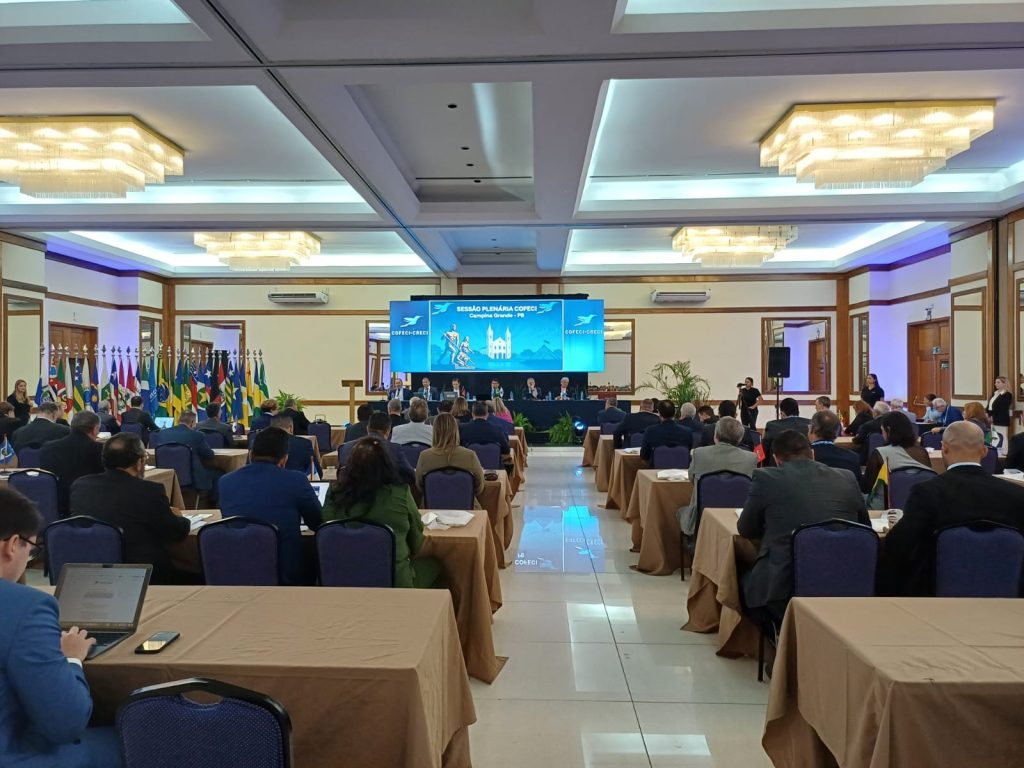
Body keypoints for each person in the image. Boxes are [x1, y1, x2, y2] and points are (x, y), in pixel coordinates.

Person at [0, 485, 122, 768]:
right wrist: (71, 659)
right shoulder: (25, 607)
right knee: (143, 738)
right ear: (13, 545)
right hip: (14, 756)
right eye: (31, 550)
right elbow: (66, 723)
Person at [737, 430, 869, 621]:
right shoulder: (847, 477)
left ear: (776, 459)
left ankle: (780, 634)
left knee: (740, 581)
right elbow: (864, 527)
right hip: (846, 577)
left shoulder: (765, 478)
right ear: (812, 454)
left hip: (786, 582)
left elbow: (746, 529)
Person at [881, 421, 1024, 596]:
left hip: (935, 592)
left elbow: (899, 545)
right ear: (984, 451)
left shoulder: (927, 492)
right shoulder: (1016, 494)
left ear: (944, 448)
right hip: (1007, 593)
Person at [70, 433, 190, 585]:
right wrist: (182, 519)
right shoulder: (149, 491)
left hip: (89, 567)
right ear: (139, 463)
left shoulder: (80, 485)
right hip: (139, 573)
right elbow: (174, 532)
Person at [322, 438, 443, 589]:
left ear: (349, 465)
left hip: (340, 580)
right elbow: (417, 544)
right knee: (437, 565)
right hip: (394, 583)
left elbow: (326, 527)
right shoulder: (400, 494)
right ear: (387, 464)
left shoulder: (334, 493)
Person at [219, 427, 322, 585]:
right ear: (284, 459)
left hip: (236, 567)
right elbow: (317, 521)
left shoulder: (225, 481)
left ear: (250, 454)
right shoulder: (296, 480)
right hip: (283, 571)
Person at [678, 417, 757, 537]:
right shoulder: (751, 458)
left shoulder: (699, 454)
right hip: (737, 519)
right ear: (740, 438)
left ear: (715, 435)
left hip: (701, 518)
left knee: (680, 511)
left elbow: (692, 480)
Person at [39, 411, 104, 518]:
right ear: (95, 429)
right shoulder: (100, 450)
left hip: (56, 506)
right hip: (91, 507)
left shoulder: (48, 448)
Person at [150, 411, 222, 504]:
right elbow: (209, 454)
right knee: (218, 474)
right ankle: (212, 505)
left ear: (179, 420)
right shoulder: (196, 435)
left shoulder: (162, 433)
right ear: (192, 422)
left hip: (167, 477)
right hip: (192, 479)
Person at [415, 413, 485, 507]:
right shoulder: (470, 455)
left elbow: (419, 486)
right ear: (455, 430)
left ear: (434, 431)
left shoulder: (424, 456)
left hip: (431, 508)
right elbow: (480, 486)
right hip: (467, 508)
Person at [863, 411, 932, 500]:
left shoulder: (880, 453)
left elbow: (867, 488)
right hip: (920, 503)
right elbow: (928, 480)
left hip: (888, 505)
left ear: (888, 430)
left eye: (882, 430)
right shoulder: (922, 452)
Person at [338, 412, 416, 485]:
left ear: (367, 429)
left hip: (353, 493)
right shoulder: (395, 449)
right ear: (388, 431)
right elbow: (410, 475)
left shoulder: (345, 448)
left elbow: (340, 476)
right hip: (385, 492)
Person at [807, 409, 862, 485]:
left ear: (813, 429)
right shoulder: (853, 458)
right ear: (837, 432)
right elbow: (858, 488)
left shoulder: (803, 456)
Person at [640, 400, 693, 464]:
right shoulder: (687, 432)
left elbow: (644, 456)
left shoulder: (650, 431)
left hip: (656, 468)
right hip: (682, 468)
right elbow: (688, 453)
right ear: (675, 412)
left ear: (659, 413)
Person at [271, 414, 321, 478]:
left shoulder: (263, 443)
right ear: (291, 428)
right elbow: (317, 472)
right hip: (297, 481)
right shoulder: (304, 443)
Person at [762, 398, 811, 463]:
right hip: (806, 465)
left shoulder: (772, 425)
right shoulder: (810, 423)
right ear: (798, 412)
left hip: (778, 466)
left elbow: (764, 449)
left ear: (782, 413)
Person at [852, 400, 891, 465]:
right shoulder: (892, 424)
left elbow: (858, 440)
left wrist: (855, 438)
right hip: (889, 458)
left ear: (876, 412)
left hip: (867, 457)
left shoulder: (868, 425)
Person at [986, 376, 1012, 451]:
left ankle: (1004, 453)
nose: (995, 384)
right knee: (993, 437)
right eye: (995, 382)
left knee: (1002, 436)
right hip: (992, 418)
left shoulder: (1007, 395)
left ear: (1004, 383)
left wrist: (992, 416)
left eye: (998, 382)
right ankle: (994, 452)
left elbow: (1002, 408)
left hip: (1001, 419)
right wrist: (988, 414)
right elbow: (990, 405)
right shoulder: (995, 393)